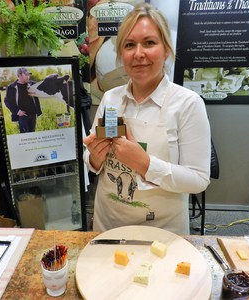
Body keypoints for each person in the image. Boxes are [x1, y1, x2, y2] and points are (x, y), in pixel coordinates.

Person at [83, 3, 211, 235]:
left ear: (166, 50)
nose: (138, 53)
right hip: (108, 225)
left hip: (162, 233)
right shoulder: (111, 98)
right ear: (122, 53)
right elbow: (92, 159)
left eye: (149, 43)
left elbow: (198, 179)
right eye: (130, 45)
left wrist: (145, 163)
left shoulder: (188, 104)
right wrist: (94, 158)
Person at [4, 67, 42, 133]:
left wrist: (49, 78)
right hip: (22, 116)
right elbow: (7, 101)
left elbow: (42, 85)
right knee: (24, 135)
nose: (28, 76)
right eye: (26, 74)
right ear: (19, 75)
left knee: (33, 133)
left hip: (33, 115)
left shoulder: (32, 84)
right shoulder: (11, 87)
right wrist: (17, 111)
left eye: (29, 74)